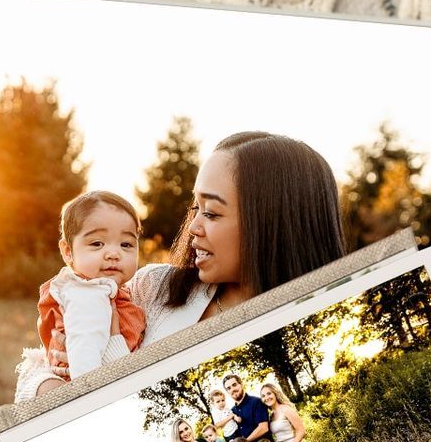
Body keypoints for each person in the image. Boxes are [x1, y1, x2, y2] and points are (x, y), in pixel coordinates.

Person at [17, 132, 347, 401]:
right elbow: (35, 372)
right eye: (196, 207)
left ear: (272, 223)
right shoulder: (153, 288)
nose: (192, 227)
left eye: (212, 213)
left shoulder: (312, 336)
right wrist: (54, 393)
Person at [33, 190, 148, 379]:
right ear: (68, 251)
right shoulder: (86, 293)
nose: (113, 253)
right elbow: (85, 361)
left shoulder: (110, 291)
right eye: (97, 243)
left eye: (126, 244)